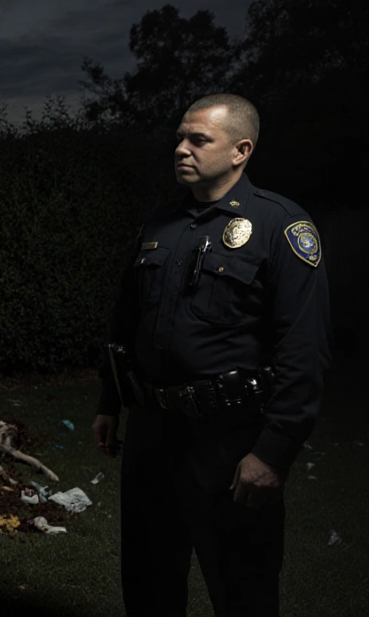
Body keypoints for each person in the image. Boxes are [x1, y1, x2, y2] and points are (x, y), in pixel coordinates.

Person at [91, 93, 330, 616]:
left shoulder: (281, 227)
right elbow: (125, 321)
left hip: (229, 439)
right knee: (149, 583)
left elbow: (304, 352)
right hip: (152, 433)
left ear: (241, 150)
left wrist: (272, 452)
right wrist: (111, 399)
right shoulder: (159, 225)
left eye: (198, 140)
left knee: (242, 588)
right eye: (180, 137)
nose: (181, 149)